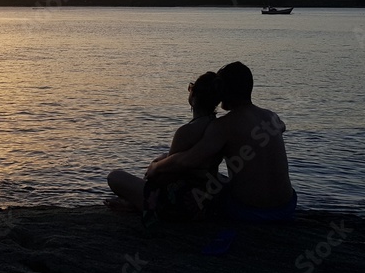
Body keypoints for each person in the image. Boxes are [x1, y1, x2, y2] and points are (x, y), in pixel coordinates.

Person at [145, 61, 297, 222]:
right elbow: (282, 126)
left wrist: (156, 166)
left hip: (249, 211)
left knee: (208, 184)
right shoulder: (271, 116)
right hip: (287, 207)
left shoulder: (224, 125)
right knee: (221, 179)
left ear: (225, 90)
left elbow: (186, 161)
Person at [106, 71, 223, 221]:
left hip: (181, 202)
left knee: (115, 177)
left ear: (194, 96)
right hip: (206, 197)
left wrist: (155, 166)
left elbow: (166, 177)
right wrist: (163, 160)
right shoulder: (220, 127)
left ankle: (138, 205)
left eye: (191, 87)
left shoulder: (187, 132)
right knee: (159, 163)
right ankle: (137, 203)